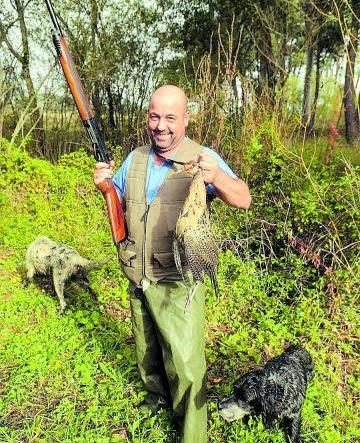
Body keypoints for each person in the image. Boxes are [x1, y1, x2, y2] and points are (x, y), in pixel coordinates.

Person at [93, 85, 251, 442]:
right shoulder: (134, 159)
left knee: (185, 364)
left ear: (185, 118)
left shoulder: (202, 157)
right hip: (137, 272)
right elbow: (119, 199)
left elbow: (243, 198)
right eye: (154, 116)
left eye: (170, 118)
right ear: (147, 116)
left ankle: (193, 434)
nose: (160, 126)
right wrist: (104, 185)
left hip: (176, 281)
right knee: (147, 349)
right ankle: (155, 401)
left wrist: (217, 178)